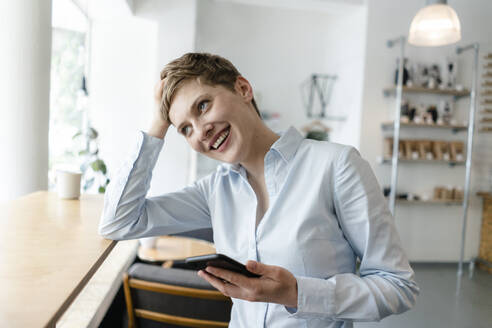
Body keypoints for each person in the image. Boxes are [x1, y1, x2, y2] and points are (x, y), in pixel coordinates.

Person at [99, 53, 419, 327]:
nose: (201, 131)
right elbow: (119, 221)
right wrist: (158, 124)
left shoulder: (336, 165)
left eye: (203, 106)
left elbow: (397, 286)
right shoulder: (214, 191)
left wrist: (296, 292)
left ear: (243, 88)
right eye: (185, 129)